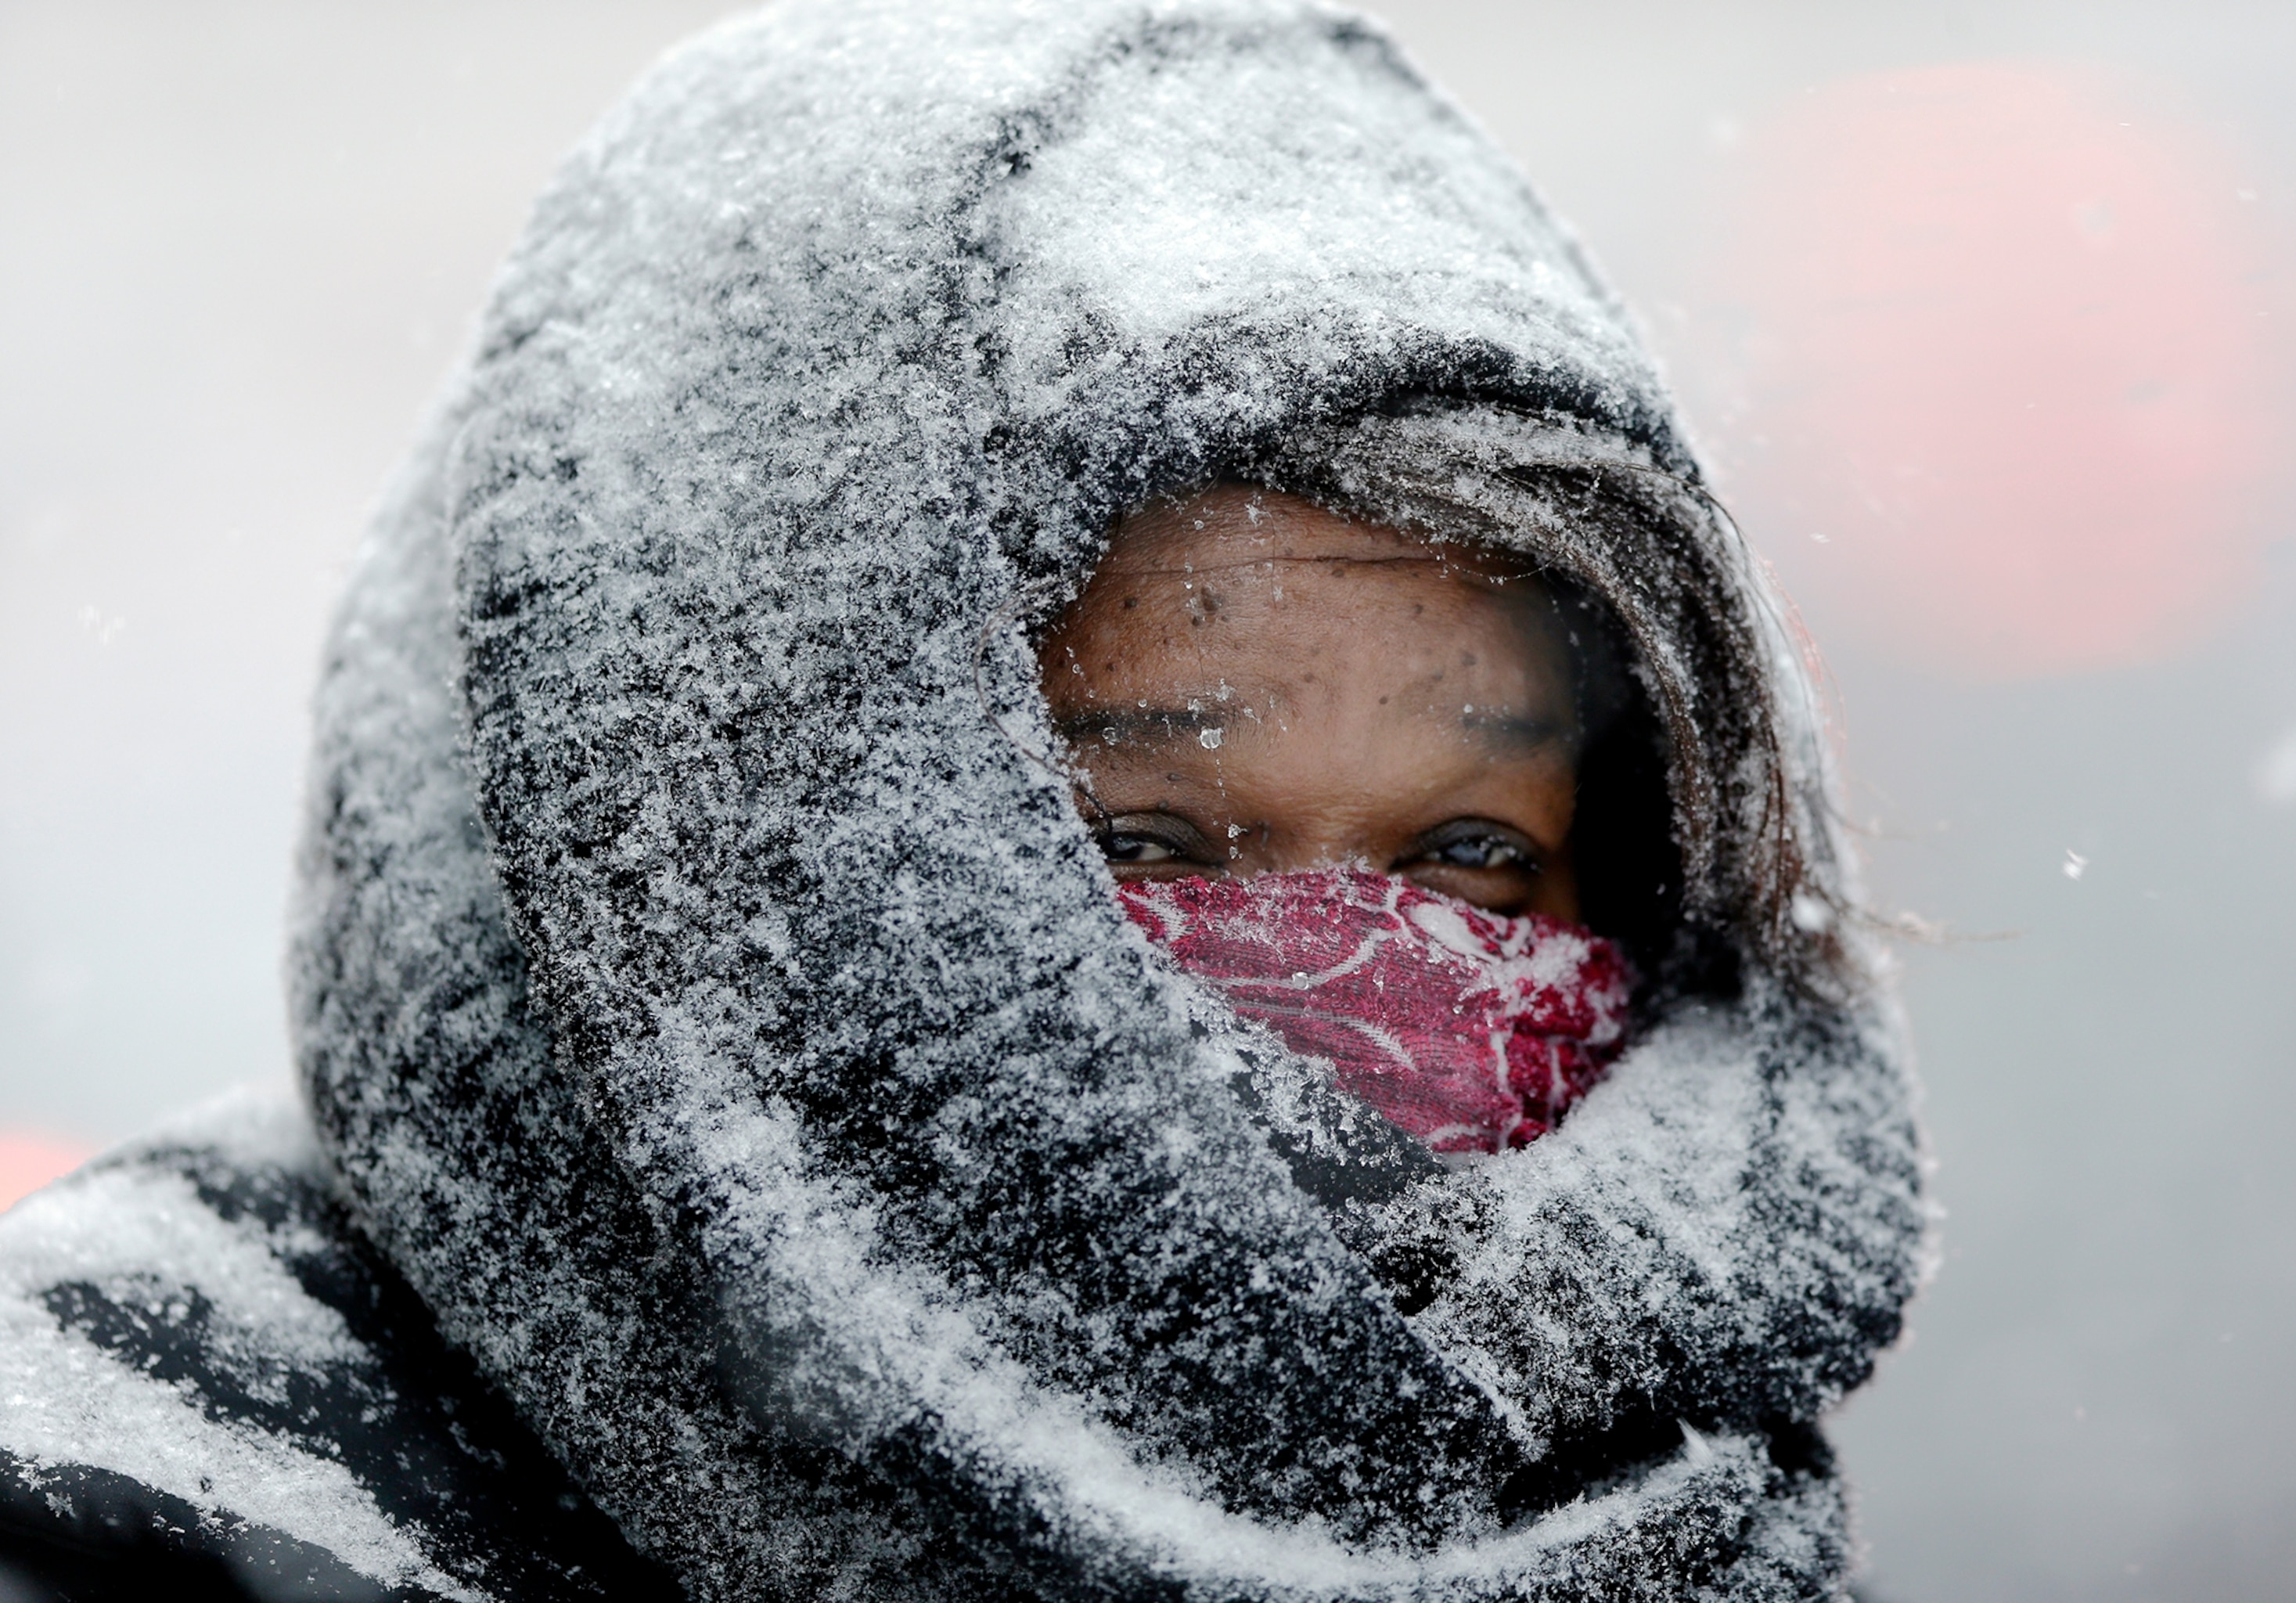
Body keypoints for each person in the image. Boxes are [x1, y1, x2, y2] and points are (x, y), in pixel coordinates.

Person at [0, 2, 1925, 1599]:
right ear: (723, 830)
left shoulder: (1671, 1502)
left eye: (1470, 855)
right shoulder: (164, 1509)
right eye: (1148, 844)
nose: (1345, 977)